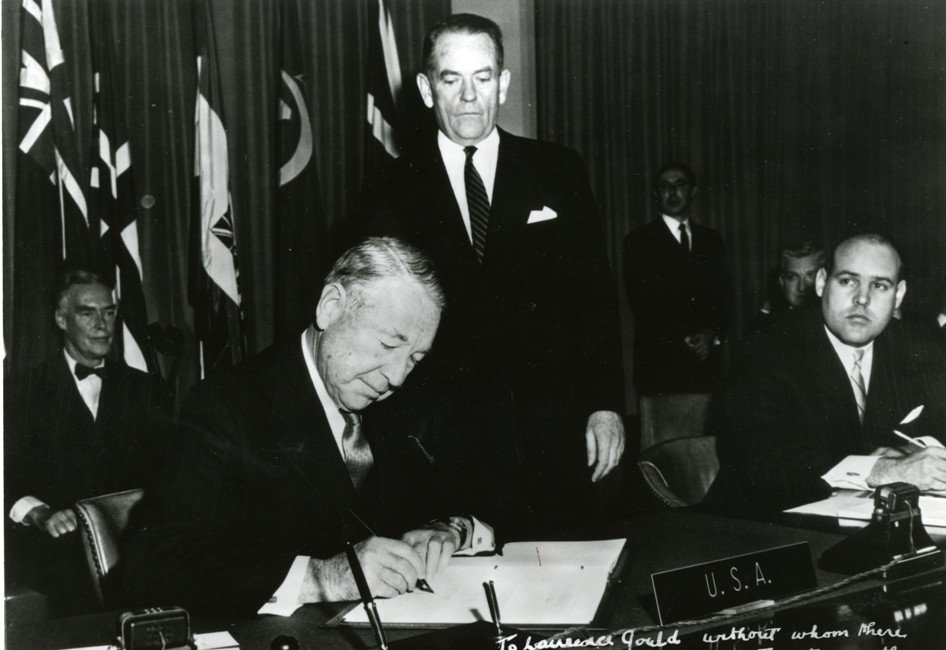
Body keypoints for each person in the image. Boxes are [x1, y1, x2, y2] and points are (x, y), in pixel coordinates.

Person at [122, 238, 495, 616]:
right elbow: (154, 567)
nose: (397, 376)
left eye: (415, 358)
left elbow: (481, 496)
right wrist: (324, 577)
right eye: (387, 344)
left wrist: (450, 529)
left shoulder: (401, 403)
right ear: (330, 307)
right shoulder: (226, 405)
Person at [365, 13, 625, 538]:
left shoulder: (558, 170)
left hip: (550, 434)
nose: (467, 97)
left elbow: (593, 299)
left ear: (503, 84)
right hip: (444, 445)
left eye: (482, 77)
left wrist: (605, 405)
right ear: (424, 88)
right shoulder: (389, 187)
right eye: (450, 78)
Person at [707, 234, 946, 521]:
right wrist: (883, 469)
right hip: (762, 530)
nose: (862, 298)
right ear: (821, 283)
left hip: (870, 525)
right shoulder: (764, 350)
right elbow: (764, 461)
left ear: (898, 294)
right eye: (848, 281)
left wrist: (915, 451)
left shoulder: (920, 347)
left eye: (880, 285)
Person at [4, 270, 165, 614]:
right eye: (87, 312)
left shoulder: (145, 389)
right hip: (58, 557)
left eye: (109, 312)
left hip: (137, 551)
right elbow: (6, 475)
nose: (102, 324)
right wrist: (38, 513)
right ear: (61, 318)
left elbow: (168, 471)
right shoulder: (18, 391)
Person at [623, 162, 733, 393]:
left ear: (692, 192)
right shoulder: (639, 242)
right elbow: (641, 302)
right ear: (656, 194)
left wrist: (709, 334)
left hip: (707, 367)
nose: (672, 193)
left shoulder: (712, 240)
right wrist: (684, 338)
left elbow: (724, 297)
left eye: (680, 185)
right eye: (665, 186)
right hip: (660, 367)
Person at [751, 242, 824, 331]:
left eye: (810, 275)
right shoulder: (767, 326)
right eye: (793, 277)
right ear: (782, 282)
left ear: (823, 279)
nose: (802, 287)